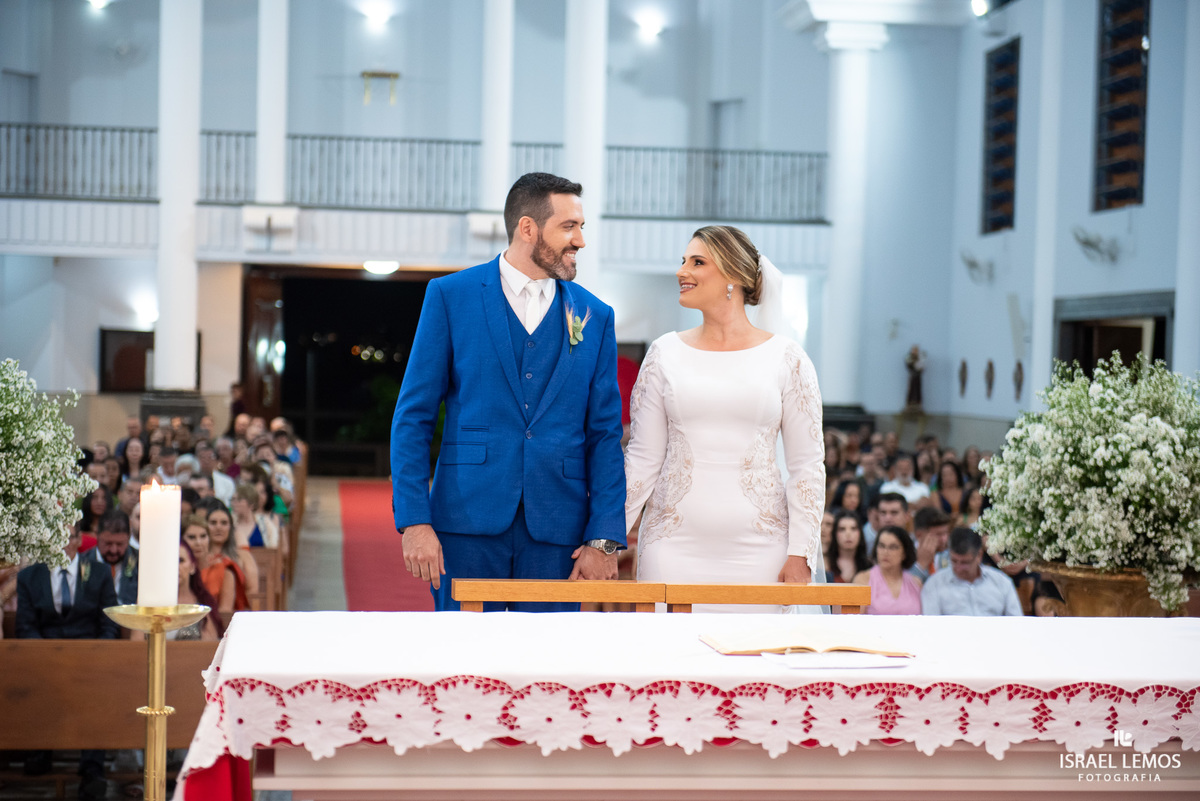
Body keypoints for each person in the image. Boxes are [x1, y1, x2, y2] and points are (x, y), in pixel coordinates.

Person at [390, 172, 626, 612]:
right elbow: (413, 417)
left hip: (559, 530)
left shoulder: (595, 315)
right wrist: (414, 521)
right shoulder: (450, 296)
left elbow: (605, 435)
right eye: (569, 227)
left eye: (582, 227)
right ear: (528, 228)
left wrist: (605, 539)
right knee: (464, 667)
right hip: (464, 524)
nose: (580, 240)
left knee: (546, 669)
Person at [624, 225, 824, 612]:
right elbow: (642, 460)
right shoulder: (664, 353)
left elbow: (806, 466)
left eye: (697, 262)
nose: (682, 271)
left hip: (761, 550)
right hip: (672, 546)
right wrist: (607, 538)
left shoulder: (788, 358)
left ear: (733, 274)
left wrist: (801, 552)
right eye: (682, 261)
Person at [16, 523, 118, 799]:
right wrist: (46, 657)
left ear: (77, 541)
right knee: (36, 680)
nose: (60, 542)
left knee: (96, 689)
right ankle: (41, 751)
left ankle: (92, 768)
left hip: (90, 656)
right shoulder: (29, 576)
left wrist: (98, 654)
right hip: (45, 654)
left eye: (67, 536)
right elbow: (25, 625)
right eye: (54, 536)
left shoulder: (97, 573)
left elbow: (109, 622)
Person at [921, 528, 1023, 616]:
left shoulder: (1001, 582)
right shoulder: (934, 584)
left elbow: (1017, 622)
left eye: (965, 563)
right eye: (954, 561)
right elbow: (931, 627)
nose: (958, 568)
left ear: (979, 555)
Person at [854, 525, 922, 615]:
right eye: (881, 546)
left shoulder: (916, 583)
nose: (885, 552)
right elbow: (855, 621)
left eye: (893, 547)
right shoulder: (863, 579)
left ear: (904, 553)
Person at [92, 511, 138, 606]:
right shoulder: (82, 563)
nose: (113, 550)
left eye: (119, 544)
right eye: (108, 543)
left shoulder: (141, 562)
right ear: (97, 536)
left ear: (129, 538)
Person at [826, 510, 871, 584]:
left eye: (853, 528)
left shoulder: (870, 566)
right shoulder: (825, 564)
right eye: (842, 529)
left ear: (860, 533)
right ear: (834, 534)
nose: (848, 534)